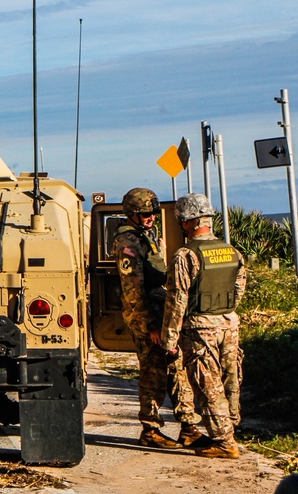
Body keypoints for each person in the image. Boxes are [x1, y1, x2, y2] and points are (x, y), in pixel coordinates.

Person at [113, 188, 202, 449]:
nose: (150, 217)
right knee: (153, 373)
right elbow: (132, 290)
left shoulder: (146, 237)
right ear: (132, 215)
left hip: (162, 315)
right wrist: (150, 325)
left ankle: (188, 426)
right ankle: (150, 428)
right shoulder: (128, 242)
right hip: (147, 318)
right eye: (144, 214)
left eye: (153, 213)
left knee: (177, 369)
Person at [161, 193, 246, 459]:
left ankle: (224, 441)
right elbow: (238, 289)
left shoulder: (186, 255)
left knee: (208, 383)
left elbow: (177, 300)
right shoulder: (231, 251)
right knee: (230, 378)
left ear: (187, 221)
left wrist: (169, 339)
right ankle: (230, 426)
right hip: (229, 322)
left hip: (200, 327)